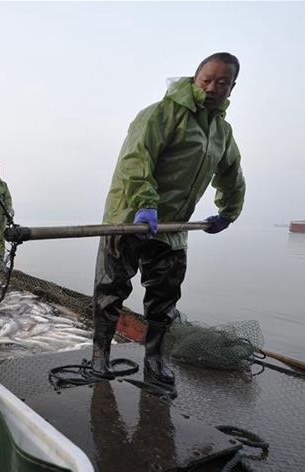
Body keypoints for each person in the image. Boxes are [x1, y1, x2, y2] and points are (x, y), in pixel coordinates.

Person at [90, 52, 246, 384]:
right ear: (194, 79)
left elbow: (231, 173)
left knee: (165, 298)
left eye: (222, 83)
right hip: (129, 217)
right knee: (111, 290)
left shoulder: (221, 132)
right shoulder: (161, 113)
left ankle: (154, 359)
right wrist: (145, 204)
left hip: (173, 228)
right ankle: (100, 355)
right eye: (206, 80)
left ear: (232, 87)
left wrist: (228, 212)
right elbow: (135, 160)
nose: (212, 88)